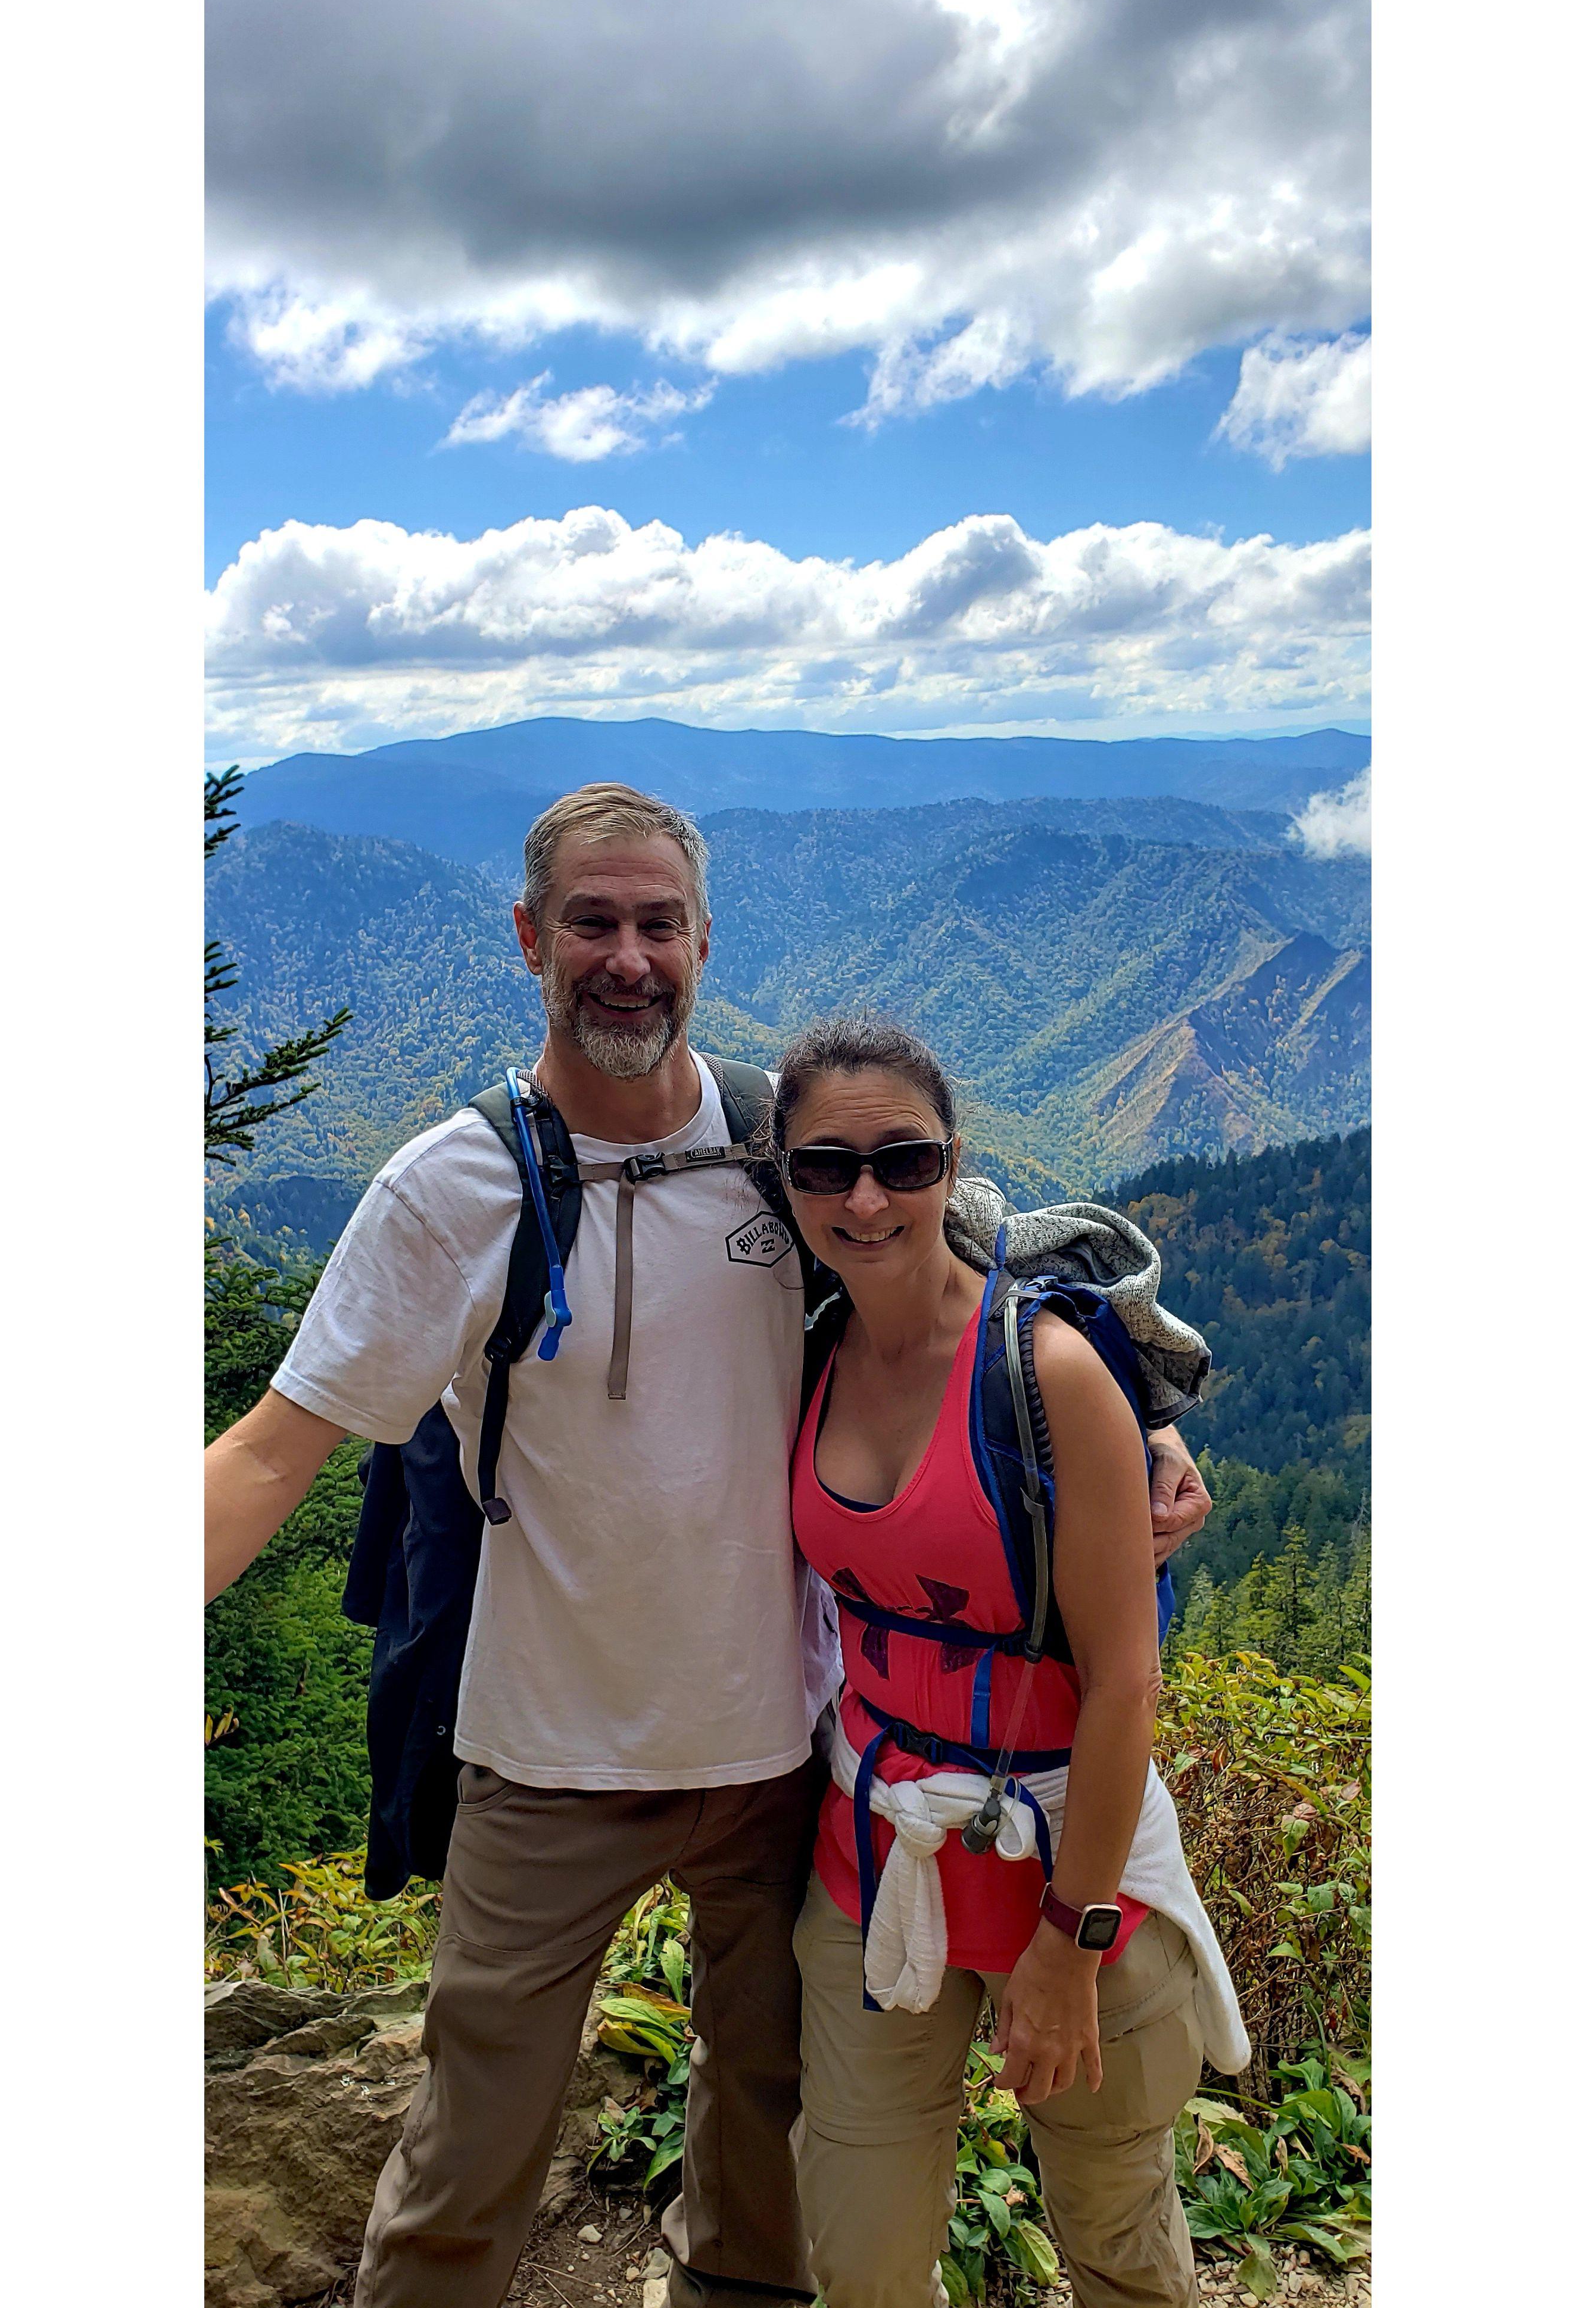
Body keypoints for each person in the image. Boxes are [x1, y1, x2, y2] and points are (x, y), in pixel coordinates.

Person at [204, 783, 1213, 2308]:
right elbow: (272, 1451)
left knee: (764, 2150)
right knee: (470, 2162)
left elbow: (992, 1264)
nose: (628, 957)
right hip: (550, 1755)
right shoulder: (454, 1188)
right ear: (530, 938)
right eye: (593, 925)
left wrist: (1132, 1415)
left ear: (701, 940)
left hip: (782, 1758)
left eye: (658, 924)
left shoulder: (785, 1149)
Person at [771, 1013, 1247, 2308]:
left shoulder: (1045, 1374)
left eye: (903, 1161)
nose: (866, 1197)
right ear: (785, 1178)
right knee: (861, 2258)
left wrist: (1070, 1944)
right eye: (824, 1166)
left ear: (951, 1166)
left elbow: (1124, 1686)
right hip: (874, 1861)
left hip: (1066, 1862)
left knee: (1116, 2242)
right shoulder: (803, 1348)